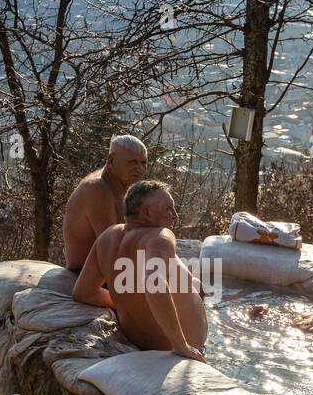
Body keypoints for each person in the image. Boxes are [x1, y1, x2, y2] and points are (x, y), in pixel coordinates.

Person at [73, 180, 208, 361]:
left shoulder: (107, 237)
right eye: (169, 209)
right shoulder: (160, 236)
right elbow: (154, 283)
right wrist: (180, 345)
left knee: (193, 282)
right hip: (175, 352)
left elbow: (83, 292)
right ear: (147, 213)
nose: (174, 215)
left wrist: (125, 302)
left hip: (136, 342)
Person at [62, 134, 148, 272]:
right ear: (111, 160)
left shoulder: (121, 185)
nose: (139, 169)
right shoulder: (96, 189)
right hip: (86, 275)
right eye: (132, 162)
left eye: (143, 163)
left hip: (112, 271)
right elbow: (112, 250)